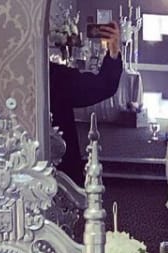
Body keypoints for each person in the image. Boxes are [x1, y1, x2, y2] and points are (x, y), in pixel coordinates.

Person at [49, 22, 122, 185]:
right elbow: (103, 86)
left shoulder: (53, 76)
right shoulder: (52, 76)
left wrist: (113, 52)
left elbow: (102, 85)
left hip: (61, 178)